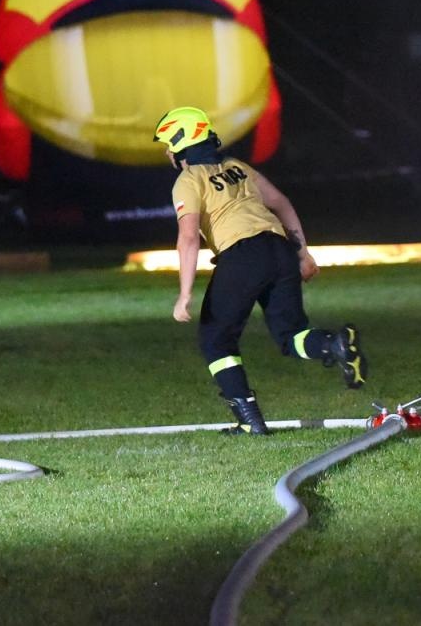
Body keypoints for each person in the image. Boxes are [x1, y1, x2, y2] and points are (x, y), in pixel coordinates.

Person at [153, 105, 366, 435]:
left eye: (168, 144)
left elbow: (188, 236)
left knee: (215, 340)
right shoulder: (238, 167)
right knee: (290, 336)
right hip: (279, 250)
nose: (167, 152)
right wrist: (303, 253)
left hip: (242, 255)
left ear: (181, 143)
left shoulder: (188, 179)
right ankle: (334, 344)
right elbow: (280, 201)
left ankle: (249, 420)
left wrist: (183, 294)